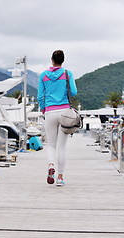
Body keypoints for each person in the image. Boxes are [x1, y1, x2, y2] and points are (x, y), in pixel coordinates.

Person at [37, 50, 77, 187]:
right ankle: (60, 178)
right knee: (62, 146)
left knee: (51, 144)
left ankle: (50, 165)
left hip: (49, 112)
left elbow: (39, 97)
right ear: (63, 60)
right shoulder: (67, 74)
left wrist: (43, 109)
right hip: (65, 112)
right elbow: (74, 92)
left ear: (51, 60)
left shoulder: (43, 76)